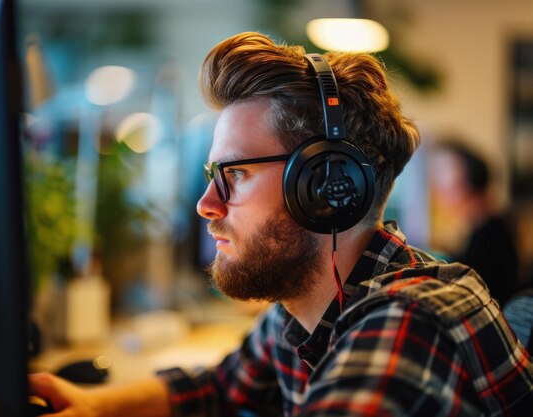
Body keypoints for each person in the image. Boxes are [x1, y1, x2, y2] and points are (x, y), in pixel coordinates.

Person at [28, 32, 533, 416]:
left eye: (236, 174)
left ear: (324, 184)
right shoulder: (308, 306)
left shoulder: (410, 322)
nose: (206, 203)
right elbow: (220, 385)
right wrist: (92, 404)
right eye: (212, 176)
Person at [428, 139, 520, 305]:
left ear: (470, 178)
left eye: (442, 171)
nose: (435, 184)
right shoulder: (486, 230)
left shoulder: (493, 239)